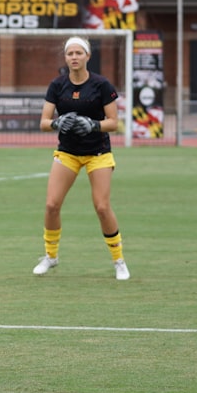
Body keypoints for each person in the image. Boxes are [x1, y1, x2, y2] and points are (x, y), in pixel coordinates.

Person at [34, 36, 130, 281]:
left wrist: (92, 125)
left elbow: (114, 123)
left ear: (88, 56)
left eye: (79, 53)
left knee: (101, 206)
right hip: (68, 153)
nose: (74, 57)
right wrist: (56, 122)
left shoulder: (101, 84)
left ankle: (119, 260)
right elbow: (44, 122)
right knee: (51, 205)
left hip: (98, 153)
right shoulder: (57, 85)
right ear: (65, 57)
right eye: (70, 53)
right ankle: (50, 256)